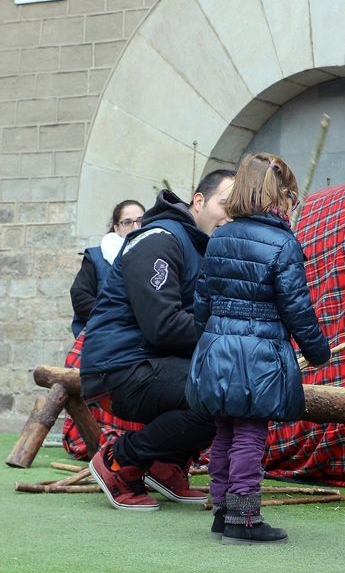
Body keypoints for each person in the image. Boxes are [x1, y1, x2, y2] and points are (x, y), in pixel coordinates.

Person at [186, 153, 331, 544]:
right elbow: (297, 308)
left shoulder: (220, 237)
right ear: (278, 194)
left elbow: (203, 300)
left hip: (217, 348)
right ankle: (244, 519)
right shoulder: (283, 243)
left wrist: (209, 340)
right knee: (250, 432)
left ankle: (222, 513)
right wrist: (318, 352)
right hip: (259, 355)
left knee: (224, 432)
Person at [82, 169, 236, 511]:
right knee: (222, 391)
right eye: (225, 204)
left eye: (237, 208)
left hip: (150, 363)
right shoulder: (159, 239)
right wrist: (229, 339)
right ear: (199, 200)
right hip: (118, 369)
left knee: (235, 386)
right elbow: (163, 326)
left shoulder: (201, 246)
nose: (230, 215)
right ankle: (119, 461)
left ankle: (164, 466)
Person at [69, 199, 145, 336]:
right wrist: (120, 314)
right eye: (127, 222)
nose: (136, 227)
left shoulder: (158, 255)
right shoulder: (96, 257)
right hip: (106, 338)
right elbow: (81, 299)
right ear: (117, 228)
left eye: (140, 220)